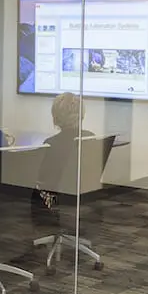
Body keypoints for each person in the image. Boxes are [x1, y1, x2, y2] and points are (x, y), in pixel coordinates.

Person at [33, 92, 94, 220]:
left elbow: (43, 178)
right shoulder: (90, 137)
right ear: (81, 114)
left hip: (58, 197)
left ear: (55, 117)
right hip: (84, 194)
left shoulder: (51, 144)